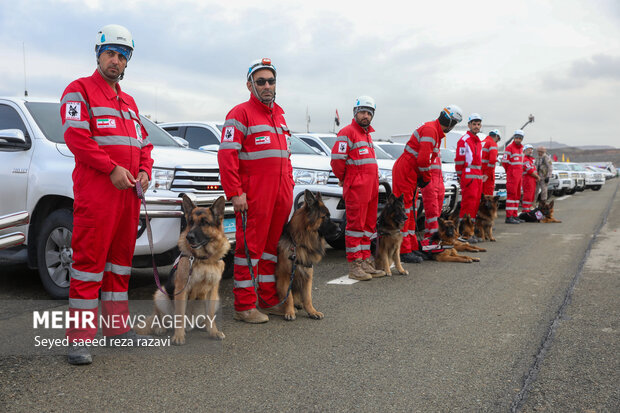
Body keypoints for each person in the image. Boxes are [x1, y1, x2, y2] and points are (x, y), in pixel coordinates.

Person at [61, 24, 153, 365]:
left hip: (128, 196)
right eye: (110, 54)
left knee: (120, 265)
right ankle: (79, 340)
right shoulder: (79, 91)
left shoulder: (128, 102)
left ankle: (117, 329)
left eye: (122, 56)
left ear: (128, 62)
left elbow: (144, 143)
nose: (116, 61)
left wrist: (145, 170)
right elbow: (76, 138)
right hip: (97, 196)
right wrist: (111, 168)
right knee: (88, 267)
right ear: (98, 54)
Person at [218, 58, 294, 323]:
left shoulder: (280, 115)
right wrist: (236, 192)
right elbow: (227, 156)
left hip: (281, 193)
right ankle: (244, 305)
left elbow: (286, 155)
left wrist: (290, 184)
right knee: (249, 249)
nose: (267, 86)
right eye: (260, 81)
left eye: (271, 81)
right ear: (249, 84)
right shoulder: (239, 114)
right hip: (255, 195)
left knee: (271, 249)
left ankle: (267, 299)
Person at [392, 105, 463, 262]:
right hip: (407, 170)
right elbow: (423, 160)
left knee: (412, 210)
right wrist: (425, 177)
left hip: (411, 170)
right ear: (452, 123)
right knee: (406, 210)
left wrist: (422, 176)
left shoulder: (434, 131)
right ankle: (403, 250)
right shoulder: (431, 131)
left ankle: (411, 246)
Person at [330, 96, 385, 280]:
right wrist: (345, 178)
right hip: (357, 187)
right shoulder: (347, 132)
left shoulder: (367, 135)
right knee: (355, 226)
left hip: (370, 188)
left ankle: (364, 261)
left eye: (369, 113)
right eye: (362, 112)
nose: (366, 116)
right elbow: (337, 161)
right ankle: (354, 265)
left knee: (368, 226)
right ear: (355, 112)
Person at [455, 113, 484, 239]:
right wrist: (461, 175)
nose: (476, 126)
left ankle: (470, 231)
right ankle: (464, 233)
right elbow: (459, 160)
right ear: (469, 125)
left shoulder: (477, 141)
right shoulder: (464, 140)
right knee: (468, 205)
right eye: (474, 124)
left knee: (475, 205)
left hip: (477, 177)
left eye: (478, 124)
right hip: (469, 176)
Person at [502, 130, 525, 224]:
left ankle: (514, 215)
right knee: (511, 196)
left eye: (520, 138)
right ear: (514, 137)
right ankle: (509, 216)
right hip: (512, 176)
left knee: (517, 196)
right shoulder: (509, 148)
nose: (518, 140)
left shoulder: (521, 149)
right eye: (517, 138)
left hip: (519, 176)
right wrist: (511, 172)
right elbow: (504, 162)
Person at [481, 129, 501, 196]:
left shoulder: (481, 142)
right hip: (487, 174)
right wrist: (487, 174)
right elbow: (492, 160)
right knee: (487, 196)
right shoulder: (492, 143)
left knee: (479, 195)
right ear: (497, 137)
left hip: (478, 173)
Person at [521, 144, 540, 211]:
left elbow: (534, 170)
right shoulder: (525, 159)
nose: (531, 151)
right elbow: (529, 171)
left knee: (531, 195)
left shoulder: (531, 160)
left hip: (532, 180)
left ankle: (528, 209)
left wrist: (536, 177)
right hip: (527, 179)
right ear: (524, 151)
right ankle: (525, 210)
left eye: (531, 149)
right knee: (528, 195)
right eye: (529, 149)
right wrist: (537, 177)